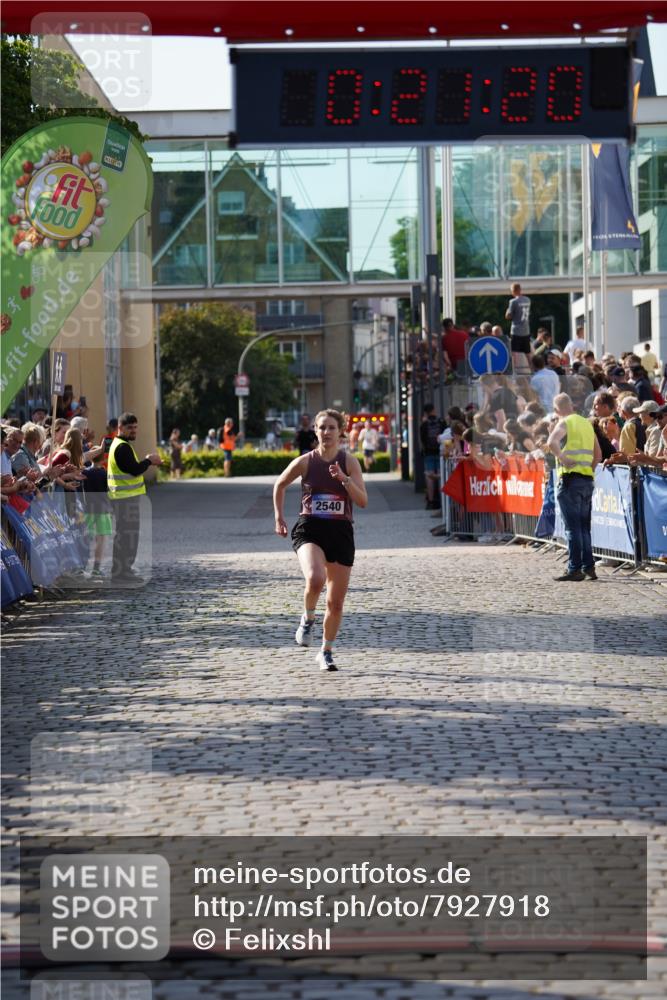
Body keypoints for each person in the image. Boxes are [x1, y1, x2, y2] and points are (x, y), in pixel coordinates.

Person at [273, 409, 367, 672]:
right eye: (321, 427)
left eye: (331, 428)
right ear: (315, 431)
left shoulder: (350, 463)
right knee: (314, 578)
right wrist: (279, 517)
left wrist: (344, 480)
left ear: (341, 432)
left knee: (335, 603)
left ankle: (326, 651)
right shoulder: (305, 461)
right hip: (310, 528)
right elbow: (280, 484)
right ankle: (308, 618)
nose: (326, 432)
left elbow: (362, 501)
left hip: (340, 532)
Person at [547, 392, 601, 582]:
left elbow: (551, 442)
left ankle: (574, 568)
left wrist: (563, 458)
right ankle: (589, 567)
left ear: (556, 409)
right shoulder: (587, 423)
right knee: (584, 528)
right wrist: (589, 470)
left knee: (573, 528)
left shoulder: (564, 422)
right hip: (586, 480)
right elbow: (598, 455)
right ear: (571, 405)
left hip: (569, 480)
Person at [107, 412, 162, 585]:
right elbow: (135, 469)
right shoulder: (122, 447)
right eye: (130, 427)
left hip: (124, 498)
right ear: (120, 428)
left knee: (125, 535)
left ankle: (123, 571)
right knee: (127, 536)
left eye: (135, 427)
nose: (133, 431)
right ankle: (122, 573)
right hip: (124, 499)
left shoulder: (121, 444)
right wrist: (149, 461)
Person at [420, 403, 443, 509]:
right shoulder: (441, 422)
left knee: (429, 476)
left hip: (428, 453)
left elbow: (422, 440)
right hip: (439, 452)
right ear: (433, 410)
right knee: (440, 475)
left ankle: (431, 500)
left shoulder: (424, 425)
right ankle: (441, 499)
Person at [505, 282, 531, 372]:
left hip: (516, 330)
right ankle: (533, 370)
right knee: (528, 353)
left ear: (513, 291)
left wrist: (507, 311)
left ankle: (513, 372)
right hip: (526, 330)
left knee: (513, 353)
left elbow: (508, 316)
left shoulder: (513, 301)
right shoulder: (528, 300)